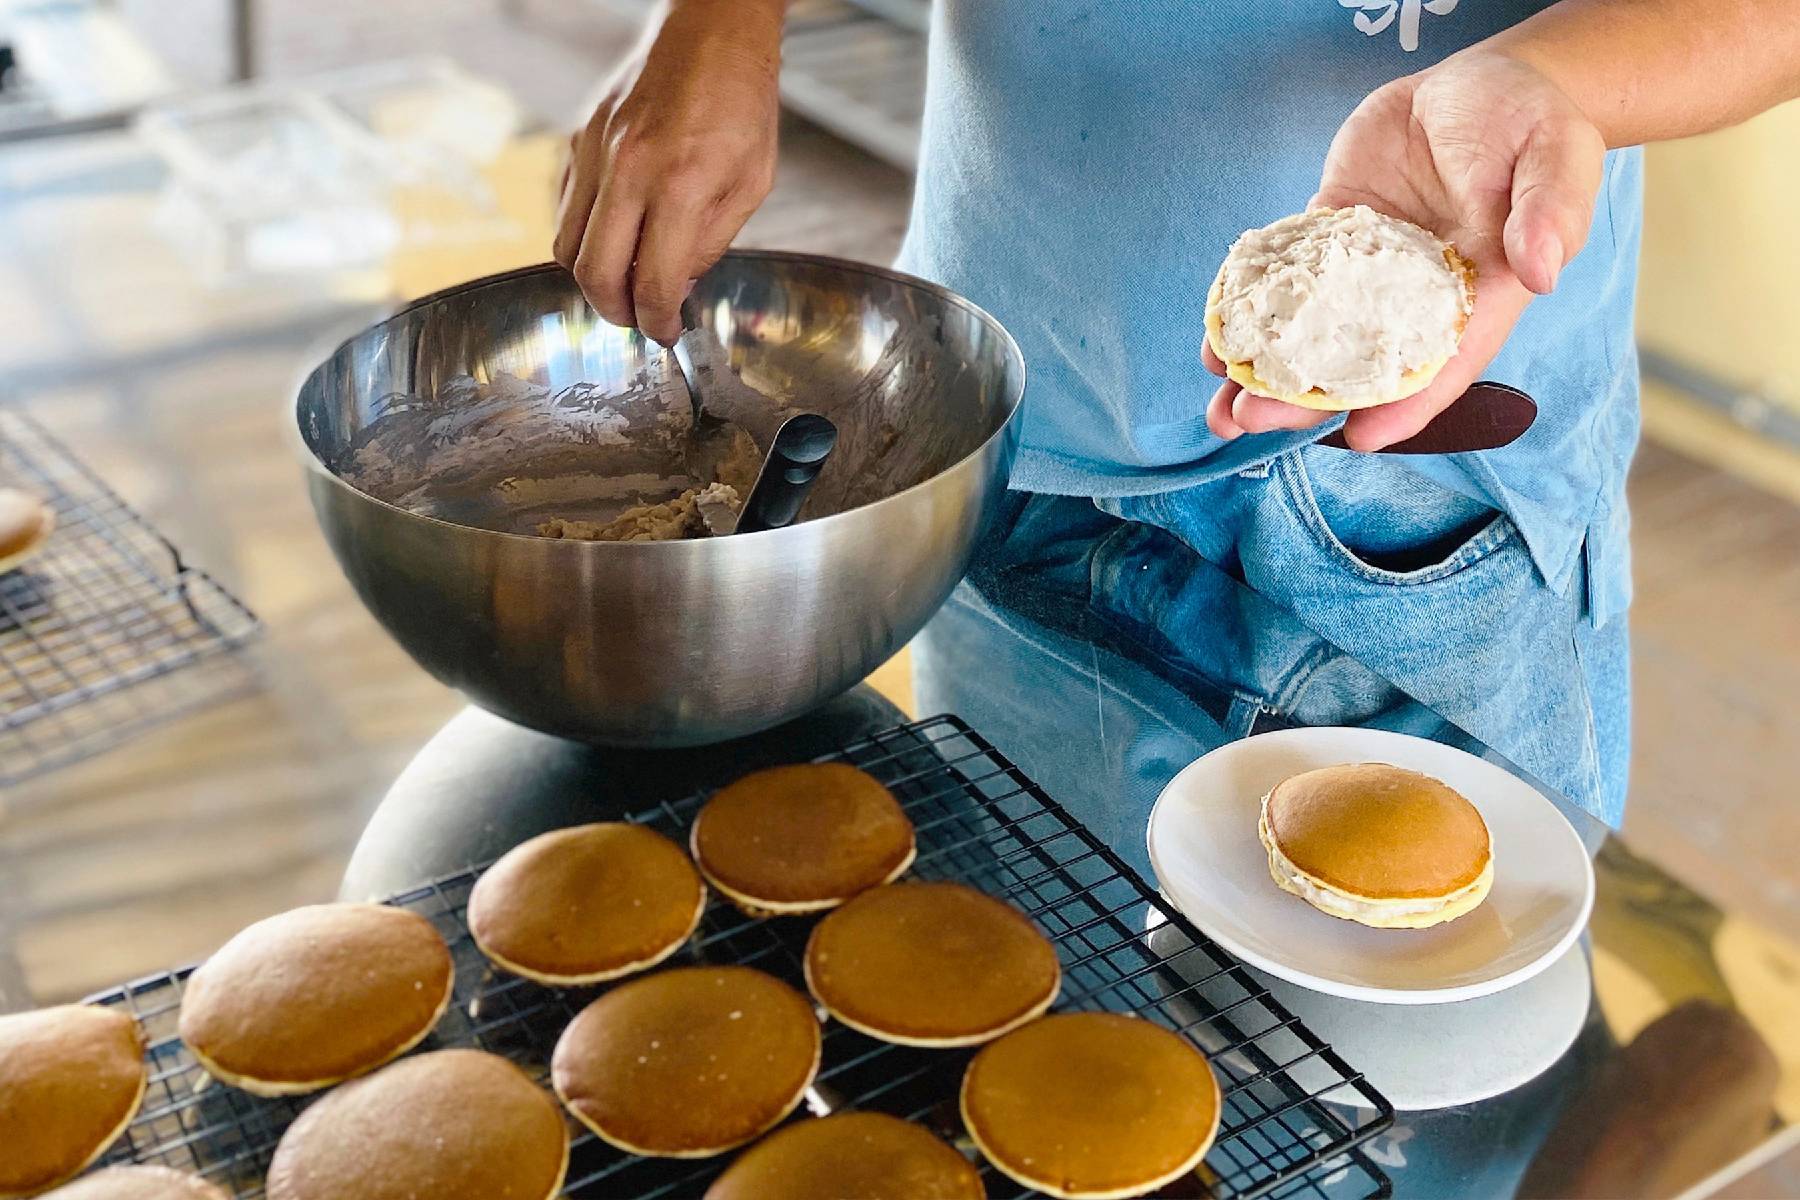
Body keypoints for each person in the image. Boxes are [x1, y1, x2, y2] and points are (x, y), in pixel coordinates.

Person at [554, 0, 1800, 833]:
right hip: (1009, 429)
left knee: (1395, 1105)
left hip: (1414, 518)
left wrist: (1548, 76)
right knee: (1031, 1022)